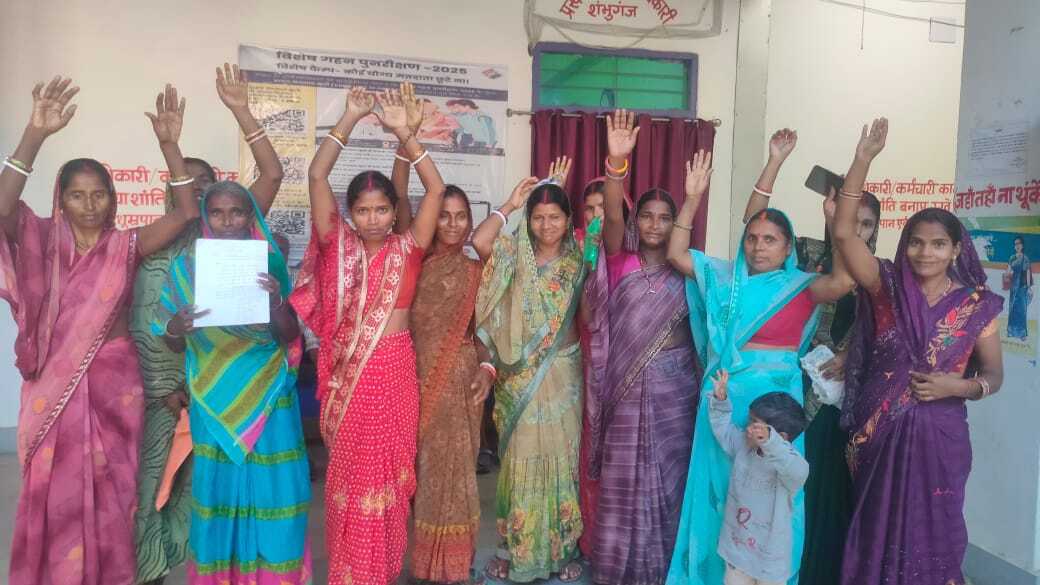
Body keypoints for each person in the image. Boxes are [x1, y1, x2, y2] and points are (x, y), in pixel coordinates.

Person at [1, 78, 200, 585]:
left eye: (98, 194)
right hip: (53, 389)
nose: (89, 205)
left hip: (116, 388)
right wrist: (34, 134)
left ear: (112, 199)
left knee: (115, 491)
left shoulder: (126, 246)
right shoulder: (40, 240)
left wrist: (170, 146)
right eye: (77, 195)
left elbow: (186, 213)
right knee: (54, 490)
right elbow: (2, 209)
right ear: (61, 199)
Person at [665, 146, 856, 585]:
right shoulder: (724, 278)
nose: (758, 246)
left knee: (773, 492)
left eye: (770, 240)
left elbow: (845, 280)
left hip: (774, 407)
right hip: (723, 399)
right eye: (752, 238)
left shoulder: (799, 286)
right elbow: (677, 253)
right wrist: (692, 199)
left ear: (788, 247)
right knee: (718, 490)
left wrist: (833, 223)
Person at [833, 118, 1005, 585]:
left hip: (940, 440)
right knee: (874, 532)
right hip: (878, 435)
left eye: (938, 244)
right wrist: (863, 160)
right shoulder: (885, 286)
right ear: (904, 245)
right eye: (916, 242)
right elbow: (845, 234)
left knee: (938, 537)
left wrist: (959, 386)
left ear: (956, 250)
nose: (925, 253)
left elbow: (994, 375)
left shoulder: (976, 306)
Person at [132, 62, 285, 585]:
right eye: (192, 191)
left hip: (251, 387)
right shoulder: (166, 256)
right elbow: (158, 331)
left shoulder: (247, 243)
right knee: (175, 490)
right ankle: (179, 569)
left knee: (247, 493)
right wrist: (175, 340)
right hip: (186, 389)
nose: (215, 212)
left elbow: (272, 176)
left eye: (210, 191)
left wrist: (241, 109)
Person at [290, 85, 447, 585]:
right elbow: (317, 175)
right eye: (363, 210)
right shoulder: (337, 246)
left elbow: (436, 191)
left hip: (395, 370)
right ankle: (351, 571)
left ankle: (381, 569)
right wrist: (350, 117)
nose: (373, 218)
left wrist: (404, 133)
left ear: (394, 211)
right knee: (354, 480)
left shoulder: (410, 248)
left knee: (388, 482)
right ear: (350, 214)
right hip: (350, 380)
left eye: (382, 209)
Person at [742, 128, 882, 585]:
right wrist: (774, 162)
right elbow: (753, 230)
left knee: (832, 493)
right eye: (851, 219)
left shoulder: (881, 277)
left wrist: (851, 353)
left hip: (850, 403)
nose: (857, 230)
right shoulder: (806, 256)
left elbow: (889, 338)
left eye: (866, 224)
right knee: (788, 483)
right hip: (796, 390)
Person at [158, 178, 309, 584]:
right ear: (205, 217)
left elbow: (290, 335)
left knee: (275, 491)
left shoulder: (269, 262)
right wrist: (176, 327)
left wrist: (275, 301)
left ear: (250, 216)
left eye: (237, 212)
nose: (227, 221)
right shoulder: (186, 267)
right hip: (213, 398)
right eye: (217, 213)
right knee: (219, 493)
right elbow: (172, 340)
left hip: (270, 394)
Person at [583, 110, 700, 585]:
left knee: (669, 479)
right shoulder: (620, 258)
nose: (654, 224)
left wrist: (693, 198)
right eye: (647, 215)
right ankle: (617, 570)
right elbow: (612, 213)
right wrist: (617, 164)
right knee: (622, 478)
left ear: (676, 223)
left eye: (664, 217)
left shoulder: (688, 268)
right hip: (625, 391)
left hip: (675, 392)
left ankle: (662, 570)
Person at [473, 176, 586, 583]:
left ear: (567, 219)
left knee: (562, 463)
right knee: (518, 463)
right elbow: (480, 241)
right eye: (538, 217)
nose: (546, 225)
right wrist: (510, 203)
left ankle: (564, 550)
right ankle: (513, 550)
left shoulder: (580, 261)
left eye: (555, 217)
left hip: (563, 375)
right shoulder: (513, 253)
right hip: (519, 380)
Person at [707, 370, 809, 585]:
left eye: (756, 426)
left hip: (770, 561)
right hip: (737, 551)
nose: (748, 429)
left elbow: (800, 471)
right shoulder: (743, 446)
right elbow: (723, 430)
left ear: (780, 437)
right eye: (749, 422)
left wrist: (770, 443)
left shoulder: (789, 466)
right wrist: (720, 400)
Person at [1006, 235, 1032, 340]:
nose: (1017, 245)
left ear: (1022, 245)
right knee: (1012, 309)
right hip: (1013, 287)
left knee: (1022, 310)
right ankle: (1010, 331)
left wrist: (1029, 287)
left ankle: (1022, 334)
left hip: (1022, 287)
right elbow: (1008, 271)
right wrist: (1008, 274)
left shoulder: (1025, 258)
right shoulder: (1012, 258)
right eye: (1015, 244)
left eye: (1019, 243)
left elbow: (1028, 273)